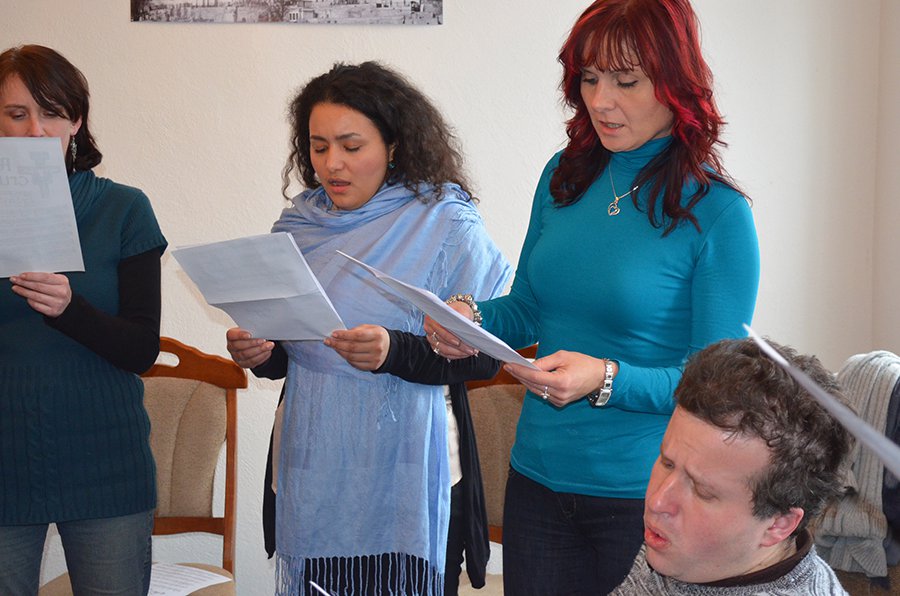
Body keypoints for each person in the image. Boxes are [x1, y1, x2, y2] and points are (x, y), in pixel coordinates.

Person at [426, 0, 760, 593]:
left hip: (647, 498)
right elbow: (528, 308)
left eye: (626, 81)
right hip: (537, 481)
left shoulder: (719, 213)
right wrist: (470, 318)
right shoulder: (564, 175)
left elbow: (715, 387)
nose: (600, 100)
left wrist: (606, 378)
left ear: (676, 84)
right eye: (589, 78)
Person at [224, 61, 510, 596]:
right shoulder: (298, 227)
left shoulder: (447, 222)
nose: (332, 164)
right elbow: (294, 351)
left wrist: (393, 351)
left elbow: (489, 356)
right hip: (315, 475)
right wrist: (263, 351)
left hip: (411, 481)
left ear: (394, 146)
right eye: (318, 147)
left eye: (351, 146)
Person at [0, 46, 167, 595]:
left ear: (76, 121)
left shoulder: (124, 209)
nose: (35, 131)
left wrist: (71, 310)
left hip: (105, 463)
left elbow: (141, 349)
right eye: (17, 114)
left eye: (51, 113)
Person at [611, 337, 851, 595]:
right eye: (667, 463)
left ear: (778, 524)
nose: (658, 501)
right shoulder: (690, 551)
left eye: (702, 491)